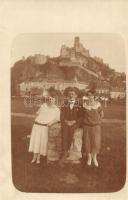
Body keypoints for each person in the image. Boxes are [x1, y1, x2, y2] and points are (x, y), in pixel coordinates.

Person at [28, 91, 60, 166]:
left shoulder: (56, 109)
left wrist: (50, 123)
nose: (50, 100)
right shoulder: (43, 105)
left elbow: (57, 119)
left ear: (55, 100)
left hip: (45, 127)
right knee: (36, 141)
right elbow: (38, 114)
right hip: (37, 126)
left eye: (52, 99)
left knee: (41, 143)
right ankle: (34, 157)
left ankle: (38, 158)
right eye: (49, 99)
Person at [59, 88, 83, 166]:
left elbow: (81, 116)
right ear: (68, 95)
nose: (71, 95)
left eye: (73, 94)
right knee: (65, 134)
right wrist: (65, 121)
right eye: (70, 94)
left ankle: (71, 153)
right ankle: (65, 153)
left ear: (76, 95)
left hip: (75, 123)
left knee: (73, 134)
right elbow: (61, 114)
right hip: (66, 122)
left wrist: (74, 121)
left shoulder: (79, 104)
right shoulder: (65, 103)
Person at [82, 90, 104, 167]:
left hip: (96, 127)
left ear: (94, 96)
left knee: (96, 142)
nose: (90, 97)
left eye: (91, 95)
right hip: (87, 126)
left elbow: (101, 114)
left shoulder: (98, 104)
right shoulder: (84, 105)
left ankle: (94, 158)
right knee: (87, 142)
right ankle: (89, 158)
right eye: (88, 95)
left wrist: (98, 122)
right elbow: (82, 115)